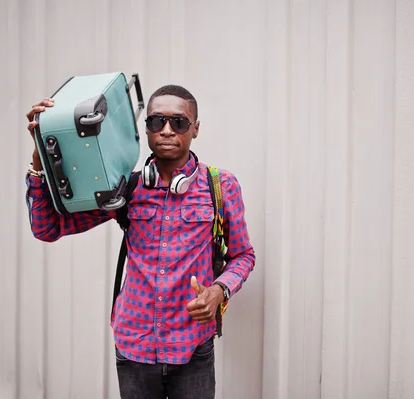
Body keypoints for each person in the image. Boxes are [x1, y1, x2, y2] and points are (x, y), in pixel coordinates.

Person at [25, 85, 256, 399]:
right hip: (134, 347)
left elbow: (243, 255)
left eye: (178, 122)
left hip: (192, 348)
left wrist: (219, 290)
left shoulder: (221, 185)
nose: (166, 130)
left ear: (196, 129)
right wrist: (39, 161)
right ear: (145, 127)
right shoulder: (126, 188)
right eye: (155, 121)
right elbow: (46, 228)